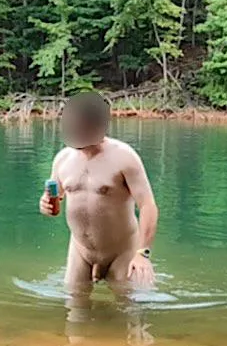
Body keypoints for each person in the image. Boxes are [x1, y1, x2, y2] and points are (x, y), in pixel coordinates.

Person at [38, 92, 159, 295]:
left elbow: (147, 205)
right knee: (75, 312)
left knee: (129, 315)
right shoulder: (62, 159)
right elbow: (54, 201)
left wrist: (143, 253)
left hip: (122, 251)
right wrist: (45, 204)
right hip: (81, 252)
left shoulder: (124, 157)